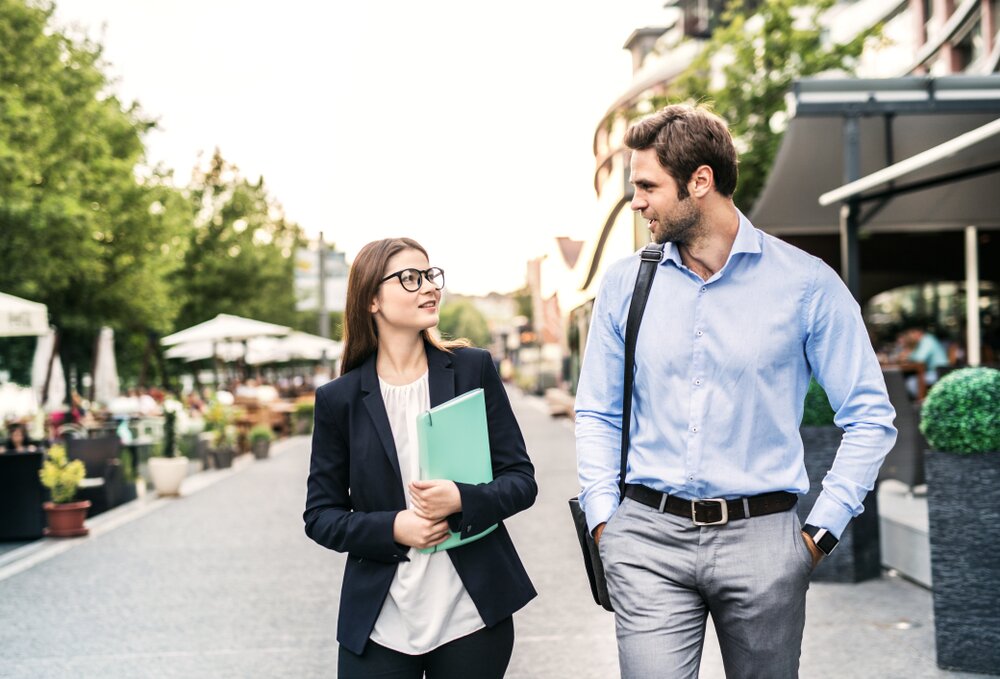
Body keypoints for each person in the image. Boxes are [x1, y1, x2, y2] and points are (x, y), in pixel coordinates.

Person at [575, 104, 897, 678]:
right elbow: (598, 409)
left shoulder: (806, 284)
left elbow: (870, 416)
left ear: (700, 181)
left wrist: (818, 533)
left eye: (647, 185)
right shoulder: (625, 284)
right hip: (647, 539)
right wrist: (606, 522)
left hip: (765, 542)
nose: (637, 201)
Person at [304, 237, 537, 678]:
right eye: (410, 279)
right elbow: (320, 516)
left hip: (470, 615)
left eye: (430, 275)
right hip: (380, 623)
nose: (428, 287)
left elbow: (521, 480)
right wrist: (395, 527)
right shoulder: (340, 400)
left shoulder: (472, 370)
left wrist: (461, 499)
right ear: (372, 298)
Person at [899, 326, 949, 396]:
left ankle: (923, 403)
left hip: (940, 373)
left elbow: (920, 358)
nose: (910, 336)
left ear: (917, 332)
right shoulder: (923, 341)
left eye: (911, 333)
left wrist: (907, 355)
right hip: (935, 371)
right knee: (911, 380)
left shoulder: (927, 340)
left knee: (911, 383)